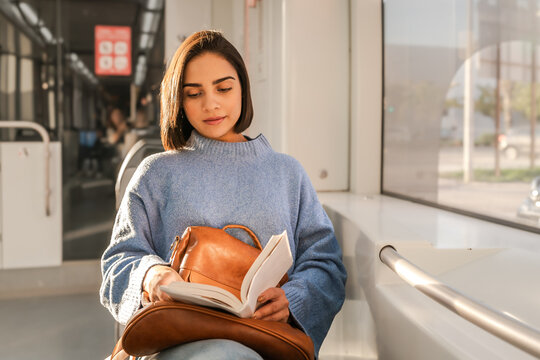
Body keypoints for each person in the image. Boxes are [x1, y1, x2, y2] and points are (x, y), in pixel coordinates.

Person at [100, 30, 347, 360]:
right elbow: (118, 261)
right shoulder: (155, 173)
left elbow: (326, 263)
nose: (211, 103)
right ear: (179, 100)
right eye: (194, 93)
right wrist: (150, 275)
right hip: (177, 339)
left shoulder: (286, 173)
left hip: (266, 337)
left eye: (224, 88)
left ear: (242, 88)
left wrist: (293, 297)